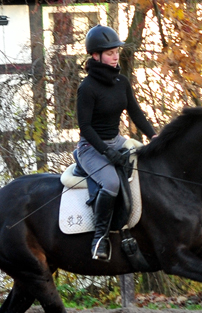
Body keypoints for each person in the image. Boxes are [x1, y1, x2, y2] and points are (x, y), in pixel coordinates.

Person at [76, 25, 157, 261]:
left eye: (116, 52)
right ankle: (99, 239)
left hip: (117, 140)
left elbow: (136, 112)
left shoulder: (121, 81)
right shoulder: (87, 88)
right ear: (95, 55)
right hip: (91, 148)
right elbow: (86, 128)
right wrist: (107, 153)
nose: (115, 57)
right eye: (110, 53)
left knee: (147, 167)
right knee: (111, 183)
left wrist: (154, 136)